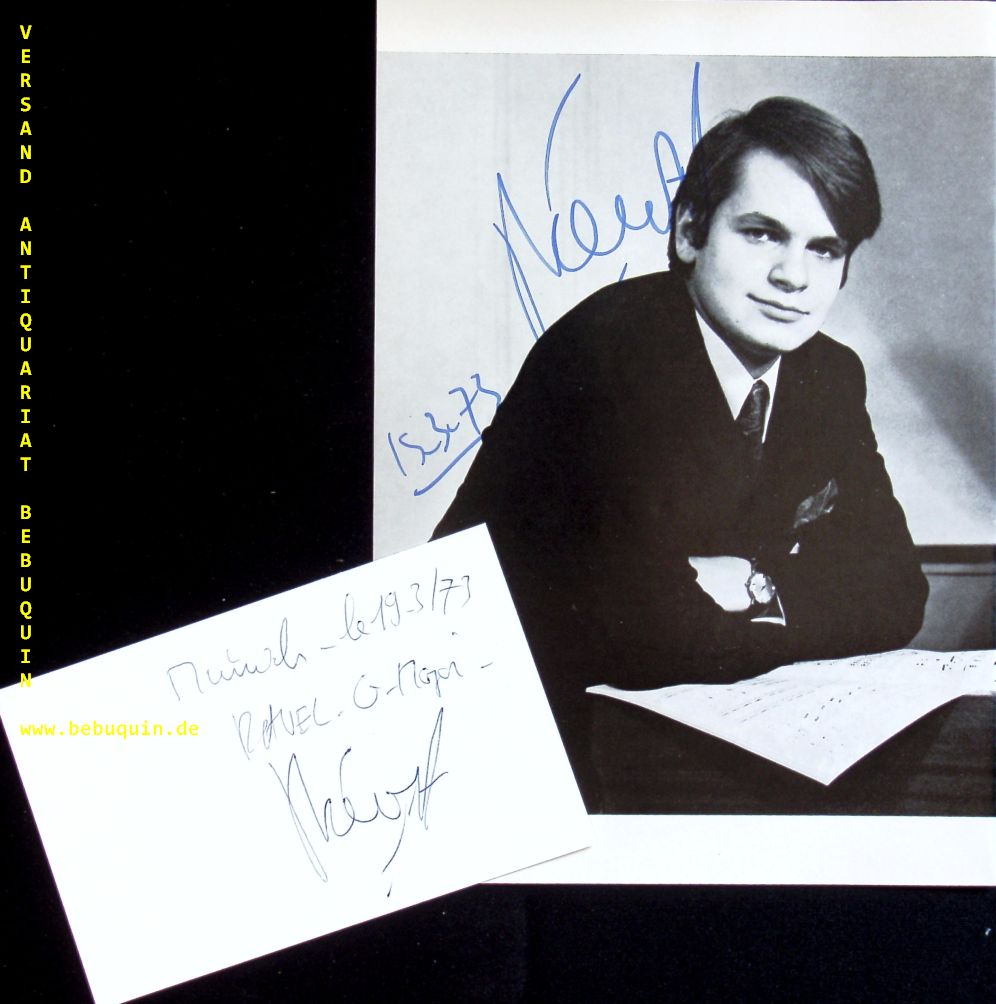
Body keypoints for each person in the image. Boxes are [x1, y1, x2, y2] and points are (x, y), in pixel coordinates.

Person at [432, 97, 928, 808]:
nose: (795, 277)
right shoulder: (606, 349)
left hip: (700, 738)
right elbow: (639, 629)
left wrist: (752, 584)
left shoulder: (829, 374)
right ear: (691, 231)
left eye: (825, 248)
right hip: (514, 739)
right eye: (762, 233)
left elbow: (898, 592)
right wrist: (790, 599)